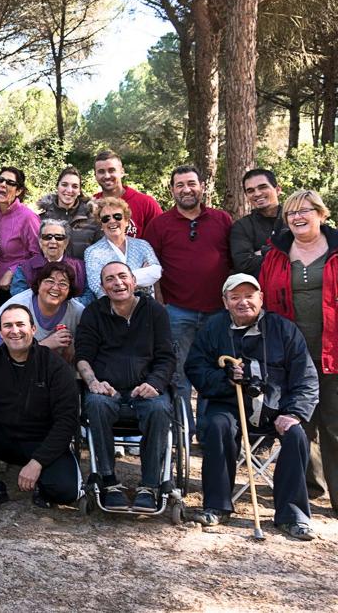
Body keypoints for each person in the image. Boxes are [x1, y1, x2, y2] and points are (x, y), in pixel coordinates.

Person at [187, 274, 319, 540]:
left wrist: (294, 413)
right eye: (235, 297)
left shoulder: (284, 329)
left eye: (249, 296)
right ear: (225, 302)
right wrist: (224, 378)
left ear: (261, 298)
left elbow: (306, 378)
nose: (243, 302)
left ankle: (292, 515)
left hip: (276, 408)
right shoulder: (214, 328)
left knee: (296, 435)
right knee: (216, 425)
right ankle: (217, 505)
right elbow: (195, 368)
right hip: (229, 405)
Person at [0, 305, 81, 510]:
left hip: (42, 440)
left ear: (33, 329)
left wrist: (37, 462)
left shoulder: (55, 366)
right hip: (3, 437)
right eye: (8, 326)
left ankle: (41, 482)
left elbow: (67, 421)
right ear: (1, 333)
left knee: (65, 492)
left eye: (21, 324)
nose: (15, 330)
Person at [75, 261, 176, 511]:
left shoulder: (155, 312)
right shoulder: (94, 313)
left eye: (122, 277)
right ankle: (108, 481)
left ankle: (150, 484)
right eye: (110, 279)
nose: (117, 283)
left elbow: (166, 357)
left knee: (159, 409)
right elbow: (83, 356)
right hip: (108, 390)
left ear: (134, 281)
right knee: (95, 404)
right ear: (102, 286)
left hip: (146, 389)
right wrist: (93, 382)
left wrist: (153, 383)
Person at [258, 189, 338, 504]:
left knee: (333, 424)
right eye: (290, 213)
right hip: (290, 353)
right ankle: (307, 487)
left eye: (303, 210)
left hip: (333, 350)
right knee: (299, 422)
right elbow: (263, 300)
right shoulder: (276, 254)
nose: (297, 217)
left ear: (321, 213)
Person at [144, 165, 233, 438]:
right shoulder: (159, 224)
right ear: (172, 190)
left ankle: (209, 433)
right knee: (178, 374)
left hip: (218, 312)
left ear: (202, 186)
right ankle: (183, 431)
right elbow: (151, 268)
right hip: (176, 311)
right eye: (180, 184)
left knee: (213, 373)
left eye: (191, 183)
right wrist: (160, 305)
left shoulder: (222, 220)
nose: (186, 189)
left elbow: (233, 260)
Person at [0, 261, 85, 365]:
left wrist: (74, 345)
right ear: (39, 283)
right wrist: (45, 345)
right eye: (50, 281)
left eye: (63, 284)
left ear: (69, 290)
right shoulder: (18, 306)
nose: (55, 288)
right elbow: (4, 358)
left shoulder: (77, 311)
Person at [83, 196, 162, 301]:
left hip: (145, 307)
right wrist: (142, 275)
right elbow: (98, 287)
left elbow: (156, 272)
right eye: (106, 218)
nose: (111, 221)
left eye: (117, 216)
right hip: (112, 310)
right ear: (101, 225)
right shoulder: (93, 252)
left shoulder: (142, 245)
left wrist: (113, 281)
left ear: (127, 221)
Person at [0, 166, 42, 307]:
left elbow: (39, 256)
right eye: (0, 180)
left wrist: (12, 271)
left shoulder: (28, 218)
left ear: (18, 191)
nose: (3, 184)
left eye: (10, 183)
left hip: (15, 289)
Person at [92, 149, 162, 238]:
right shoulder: (91, 205)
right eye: (101, 171)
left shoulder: (146, 203)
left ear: (122, 172)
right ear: (95, 175)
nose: (107, 176)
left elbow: (162, 236)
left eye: (111, 170)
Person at [230, 168, 286, 276]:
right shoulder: (242, 227)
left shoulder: (294, 219)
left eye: (263, 187)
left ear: (278, 189)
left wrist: (261, 252)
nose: (257, 193)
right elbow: (243, 264)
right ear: (246, 196)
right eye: (250, 191)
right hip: (261, 289)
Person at [37, 166, 100, 260]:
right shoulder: (42, 218)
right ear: (57, 186)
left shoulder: (92, 219)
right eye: (64, 185)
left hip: (82, 273)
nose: (69, 190)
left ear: (79, 191)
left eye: (75, 186)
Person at [8, 220, 85, 296]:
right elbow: (18, 295)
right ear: (40, 241)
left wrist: (66, 305)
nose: (53, 241)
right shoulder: (24, 268)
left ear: (66, 242)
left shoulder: (80, 267)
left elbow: (88, 295)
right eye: (47, 237)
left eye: (59, 237)